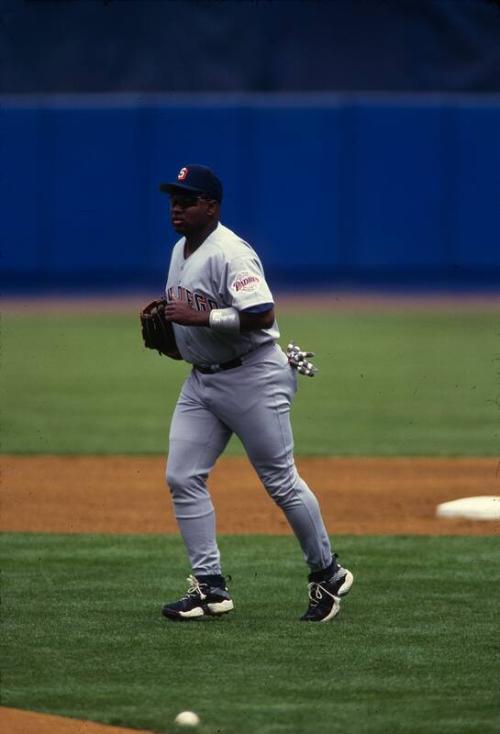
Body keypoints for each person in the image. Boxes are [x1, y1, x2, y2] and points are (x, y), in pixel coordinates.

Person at [158, 164, 353, 623]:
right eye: (173, 198)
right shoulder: (179, 250)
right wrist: (179, 340)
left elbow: (262, 314)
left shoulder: (231, 252)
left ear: (212, 206)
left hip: (253, 377)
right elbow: (186, 317)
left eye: (188, 199)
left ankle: (327, 572)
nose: (177, 206)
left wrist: (201, 321)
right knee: (182, 477)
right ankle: (210, 588)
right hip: (202, 381)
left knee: (281, 481)